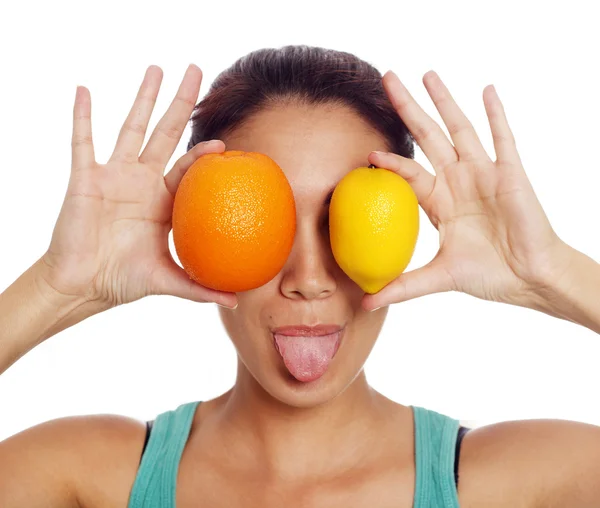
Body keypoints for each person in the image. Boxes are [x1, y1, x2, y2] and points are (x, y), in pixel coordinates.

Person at [0, 45, 599, 508]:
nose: (309, 278)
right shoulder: (88, 475)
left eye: (345, 220)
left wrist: (550, 273)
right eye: (269, 222)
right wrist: (58, 289)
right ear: (192, 228)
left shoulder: (510, 481)